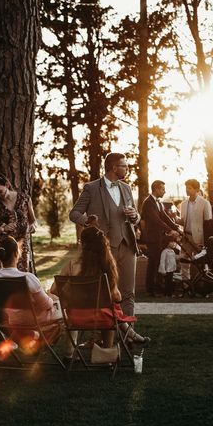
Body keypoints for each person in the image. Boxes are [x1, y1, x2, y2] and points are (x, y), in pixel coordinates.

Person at [55, 226, 149, 356]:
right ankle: (109, 350)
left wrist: (71, 297)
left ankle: (69, 353)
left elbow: (54, 290)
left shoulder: (71, 265)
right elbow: (117, 297)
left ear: (82, 244)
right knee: (112, 309)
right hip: (102, 319)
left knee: (109, 310)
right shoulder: (106, 267)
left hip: (76, 317)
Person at [69, 152, 140, 317]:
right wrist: (89, 222)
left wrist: (135, 216)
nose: (128, 169)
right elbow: (74, 213)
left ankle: (128, 332)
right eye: (124, 166)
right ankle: (105, 334)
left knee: (128, 292)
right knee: (105, 292)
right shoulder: (92, 188)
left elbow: (136, 216)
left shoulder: (126, 188)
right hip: (104, 248)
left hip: (128, 245)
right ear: (114, 168)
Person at [0, 236, 62, 330]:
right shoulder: (28, 278)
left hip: (8, 319)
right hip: (31, 319)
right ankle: (53, 338)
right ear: (16, 253)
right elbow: (46, 305)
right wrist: (51, 298)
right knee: (61, 306)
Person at [0, 173, 37, 273]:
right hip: (3, 251)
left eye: (0, 191)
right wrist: (2, 229)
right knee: (5, 282)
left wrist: (32, 226)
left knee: (22, 280)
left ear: (7, 185)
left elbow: (33, 221)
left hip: (22, 248)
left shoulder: (25, 199)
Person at [140, 180, 181, 296]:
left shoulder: (159, 203)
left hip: (159, 237)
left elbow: (165, 217)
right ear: (156, 189)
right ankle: (151, 289)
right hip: (152, 238)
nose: (164, 191)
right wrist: (170, 230)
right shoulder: (148, 203)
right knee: (153, 263)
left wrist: (176, 227)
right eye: (162, 189)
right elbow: (155, 220)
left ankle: (155, 288)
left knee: (156, 262)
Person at [178, 179, 212, 249]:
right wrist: (174, 218)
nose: (187, 190)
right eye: (186, 188)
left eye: (189, 188)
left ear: (197, 189)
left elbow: (208, 224)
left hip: (199, 239)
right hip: (186, 238)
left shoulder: (205, 203)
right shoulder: (183, 204)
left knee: (199, 259)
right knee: (184, 259)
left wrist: (206, 242)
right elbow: (183, 221)